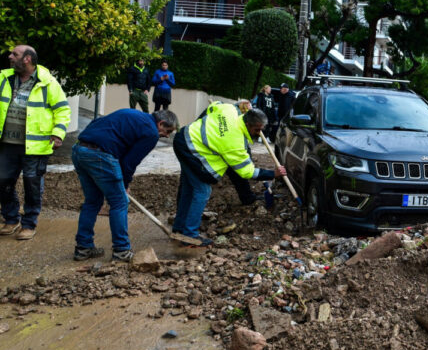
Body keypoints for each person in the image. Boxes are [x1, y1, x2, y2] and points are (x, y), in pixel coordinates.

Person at [71, 109, 178, 261]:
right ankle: (121, 250)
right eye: (167, 131)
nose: (166, 136)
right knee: (120, 202)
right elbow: (130, 163)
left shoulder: (132, 114)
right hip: (101, 155)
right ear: (160, 123)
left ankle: (83, 248)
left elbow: (96, 123)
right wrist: (125, 184)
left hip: (79, 150)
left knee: (92, 201)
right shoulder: (151, 132)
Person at [172, 103, 286, 243]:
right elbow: (247, 172)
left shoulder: (230, 109)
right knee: (202, 191)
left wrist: (198, 125)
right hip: (192, 150)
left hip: (183, 137)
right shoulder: (235, 142)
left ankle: (179, 227)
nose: (259, 133)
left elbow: (212, 107)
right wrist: (273, 174)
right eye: (257, 130)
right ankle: (189, 234)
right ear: (248, 124)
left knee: (189, 188)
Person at [0, 45, 71, 240]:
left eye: (15, 54)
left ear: (27, 59)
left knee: (32, 185)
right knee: (2, 181)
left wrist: (58, 134)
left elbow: (62, 110)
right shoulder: (3, 78)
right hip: (7, 144)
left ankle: (29, 224)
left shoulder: (48, 83)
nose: (10, 56)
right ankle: (11, 219)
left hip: (36, 146)